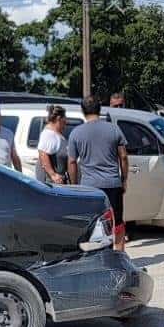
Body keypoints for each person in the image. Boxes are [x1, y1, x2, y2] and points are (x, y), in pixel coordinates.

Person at [67, 95, 129, 252]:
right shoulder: (114, 129)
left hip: (89, 187)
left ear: (83, 111)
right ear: (100, 109)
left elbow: (72, 162)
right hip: (112, 184)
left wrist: (75, 186)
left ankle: (97, 257)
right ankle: (120, 257)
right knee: (118, 223)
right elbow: (123, 156)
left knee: (94, 224)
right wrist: (124, 179)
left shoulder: (76, 133)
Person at [35, 104, 71, 185]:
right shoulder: (49, 134)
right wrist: (53, 175)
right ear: (59, 119)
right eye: (65, 119)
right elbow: (43, 153)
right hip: (51, 184)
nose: (66, 122)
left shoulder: (56, 134)